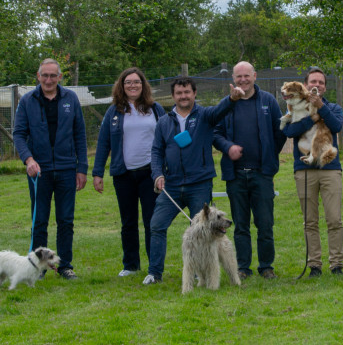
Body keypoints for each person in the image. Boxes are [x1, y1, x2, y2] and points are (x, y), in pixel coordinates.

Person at [145, 77, 245, 285]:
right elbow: (156, 151)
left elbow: (220, 110)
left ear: (194, 93)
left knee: (203, 231)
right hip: (171, 185)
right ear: (173, 96)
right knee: (156, 225)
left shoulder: (205, 116)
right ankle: (154, 273)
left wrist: (232, 98)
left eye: (187, 92)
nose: (183, 96)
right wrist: (157, 174)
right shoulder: (164, 122)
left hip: (199, 183)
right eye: (179, 93)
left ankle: (202, 273)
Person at [13, 58, 88, 281]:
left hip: (66, 169)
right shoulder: (27, 100)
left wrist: (81, 167)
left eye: (53, 75)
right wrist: (28, 160)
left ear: (59, 77)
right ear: (38, 76)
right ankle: (39, 267)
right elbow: (18, 134)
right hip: (39, 172)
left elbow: (80, 134)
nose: (48, 79)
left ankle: (65, 266)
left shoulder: (70, 99)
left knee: (66, 220)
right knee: (40, 220)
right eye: (44, 75)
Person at [214, 62, 287, 280]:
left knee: (265, 224)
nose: (243, 80)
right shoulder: (226, 104)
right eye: (239, 76)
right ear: (233, 79)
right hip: (235, 175)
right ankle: (243, 267)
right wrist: (228, 148)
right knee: (240, 225)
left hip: (262, 174)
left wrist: (270, 155)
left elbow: (280, 130)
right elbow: (215, 133)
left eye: (247, 75)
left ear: (255, 76)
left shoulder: (268, 101)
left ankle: (266, 266)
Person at [92, 67, 164, 277]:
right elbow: (103, 142)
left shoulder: (156, 109)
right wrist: (97, 173)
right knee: (128, 222)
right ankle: (131, 265)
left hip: (151, 174)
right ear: (122, 86)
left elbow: (167, 137)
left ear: (143, 85)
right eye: (128, 82)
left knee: (152, 222)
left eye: (137, 82)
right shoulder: (114, 110)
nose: (133, 85)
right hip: (123, 175)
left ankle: (154, 267)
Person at [283, 67, 343, 277]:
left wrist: (321, 109)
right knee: (310, 221)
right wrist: (312, 118)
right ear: (306, 85)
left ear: (325, 87)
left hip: (330, 169)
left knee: (334, 219)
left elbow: (337, 126)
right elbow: (289, 131)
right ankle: (314, 266)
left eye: (320, 82)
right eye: (312, 82)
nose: (316, 85)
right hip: (304, 171)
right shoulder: (296, 108)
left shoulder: (333, 107)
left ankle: (336, 264)